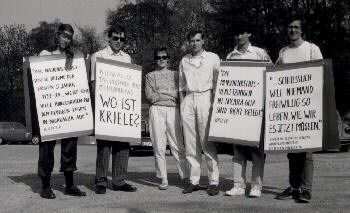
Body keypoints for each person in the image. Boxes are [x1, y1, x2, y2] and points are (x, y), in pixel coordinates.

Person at [275, 16, 323, 203]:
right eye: (290, 27)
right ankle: (294, 187)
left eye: (296, 27)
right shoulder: (283, 51)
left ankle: (306, 189)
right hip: (289, 108)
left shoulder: (312, 49)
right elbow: (277, 77)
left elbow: (321, 75)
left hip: (309, 106)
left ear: (302, 30)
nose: (293, 30)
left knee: (306, 151)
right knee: (292, 150)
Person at [37, 24, 86, 199]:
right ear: (57, 35)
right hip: (50, 109)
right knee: (47, 148)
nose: (66, 39)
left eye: (70, 37)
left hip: (67, 109)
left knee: (70, 147)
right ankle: (45, 185)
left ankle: (70, 185)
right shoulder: (45, 55)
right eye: (64, 36)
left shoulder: (73, 57)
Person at [225, 24, 270, 198]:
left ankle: (256, 186)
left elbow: (271, 74)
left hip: (256, 109)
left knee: (257, 151)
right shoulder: (231, 55)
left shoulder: (260, 53)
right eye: (237, 33)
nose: (239, 36)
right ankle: (238, 185)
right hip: (238, 110)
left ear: (249, 33)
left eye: (243, 32)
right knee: (238, 150)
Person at [91, 25, 137, 194]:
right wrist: (99, 108)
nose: (119, 42)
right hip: (106, 107)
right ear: (109, 38)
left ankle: (119, 180)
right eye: (116, 38)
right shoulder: (99, 56)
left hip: (123, 107)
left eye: (122, 39)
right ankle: (101, 181)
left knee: (123, 145)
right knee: (104, 147)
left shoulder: (127, 58)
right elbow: (94, 83)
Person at [179, 29, 220, 196]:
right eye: (191, 41)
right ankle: (194, 181)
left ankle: (214, 181)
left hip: (206, 98)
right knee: (190, 143)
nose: (194, 44)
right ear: (188, 42)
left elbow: (220, 81)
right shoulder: (184, 60)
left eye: (197, 40)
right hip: (189, 99)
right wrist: (183, 104)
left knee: (206, 143)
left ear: (203, 41)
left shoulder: (213, 58)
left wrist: (215, 103)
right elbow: (181, 85)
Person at [145, 47, 189, 190]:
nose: (162, 60)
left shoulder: (176, 74)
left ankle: (186, 176)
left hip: (173, 111)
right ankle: (163, 178)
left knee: (178, 145)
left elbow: (181, 93)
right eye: (159, 57)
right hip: (156, 111)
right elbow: (150, 96)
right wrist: (170, 94)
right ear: (155, 60)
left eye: (164, 57)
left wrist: (163, 91)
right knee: (159, 146)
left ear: (168, 59)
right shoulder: (150, 76)